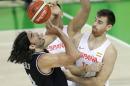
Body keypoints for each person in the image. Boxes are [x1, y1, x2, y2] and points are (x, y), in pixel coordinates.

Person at [8, 21, 81, 86]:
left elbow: (52, 35)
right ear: (32, 46)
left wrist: (52, 17)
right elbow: (74, 56)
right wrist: (60, 33)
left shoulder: (29, 54)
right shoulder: (42, 60)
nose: (36, 33)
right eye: (32, 35)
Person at [64, 9, 117, 86]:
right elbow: (68, 67)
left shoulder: (110, 51)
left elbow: (99, 82)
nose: (95, 24)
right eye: (95, 20)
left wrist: (72, 78)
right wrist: (87, 69)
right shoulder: (78, 39)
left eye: (100, 22)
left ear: (108, 27)